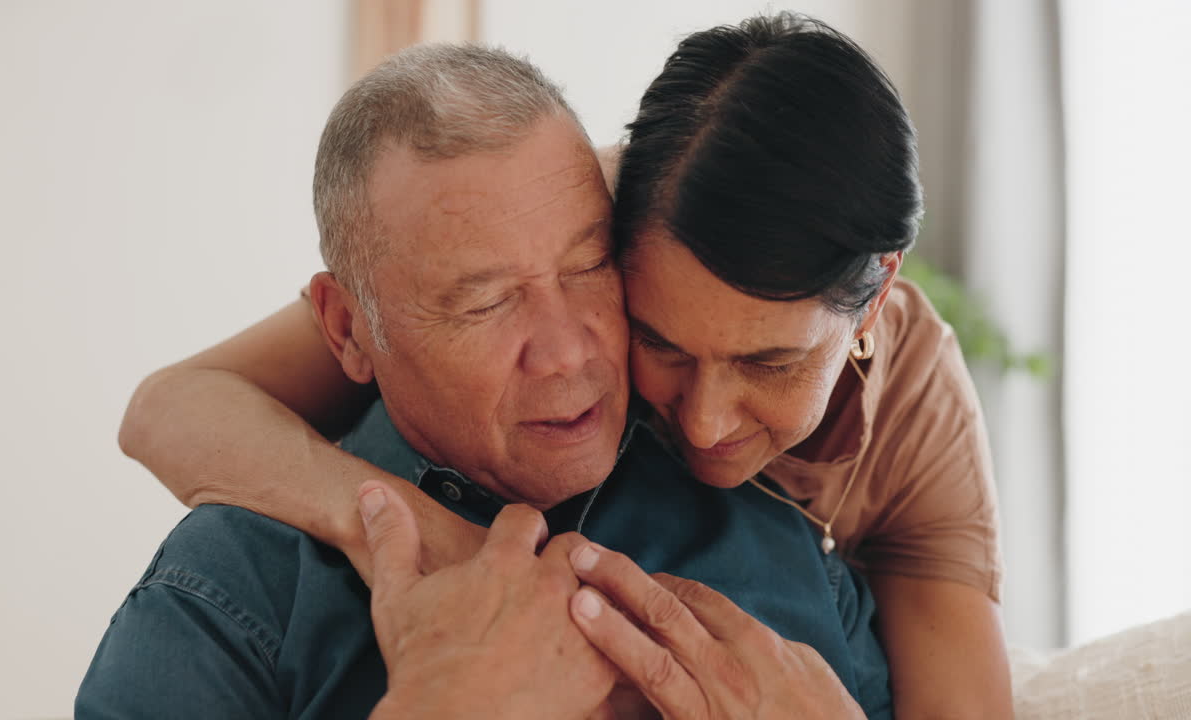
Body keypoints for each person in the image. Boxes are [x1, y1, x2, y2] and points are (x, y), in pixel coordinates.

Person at [120, 13, 1011, 718]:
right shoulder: (232, 592)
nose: (702, 424)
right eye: (659, 338)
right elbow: (171, 406)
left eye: (586, 270)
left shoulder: (820, 524)